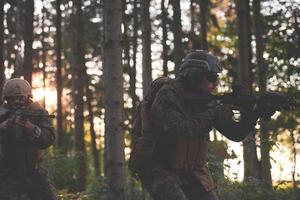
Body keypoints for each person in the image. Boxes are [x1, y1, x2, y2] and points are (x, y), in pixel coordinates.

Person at [134, 50, 275, 200]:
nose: (215, 83)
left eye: (217, 78)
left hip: (190, 168)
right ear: (194, 75)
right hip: (158, 165)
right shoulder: (168, 94)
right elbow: (178, 130)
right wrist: (213, 114)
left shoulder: (207, 100)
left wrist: (254, 113)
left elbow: (235, 134)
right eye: (211, 77)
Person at [0, 78, 57, 200]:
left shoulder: (38, 113)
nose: (17, 101)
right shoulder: (2, 114)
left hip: (34, 171)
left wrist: (31, 129)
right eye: (13, 98)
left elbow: (48, 139)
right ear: (6, 99)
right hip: (7, 173)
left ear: (28, 97)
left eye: (21, 98)